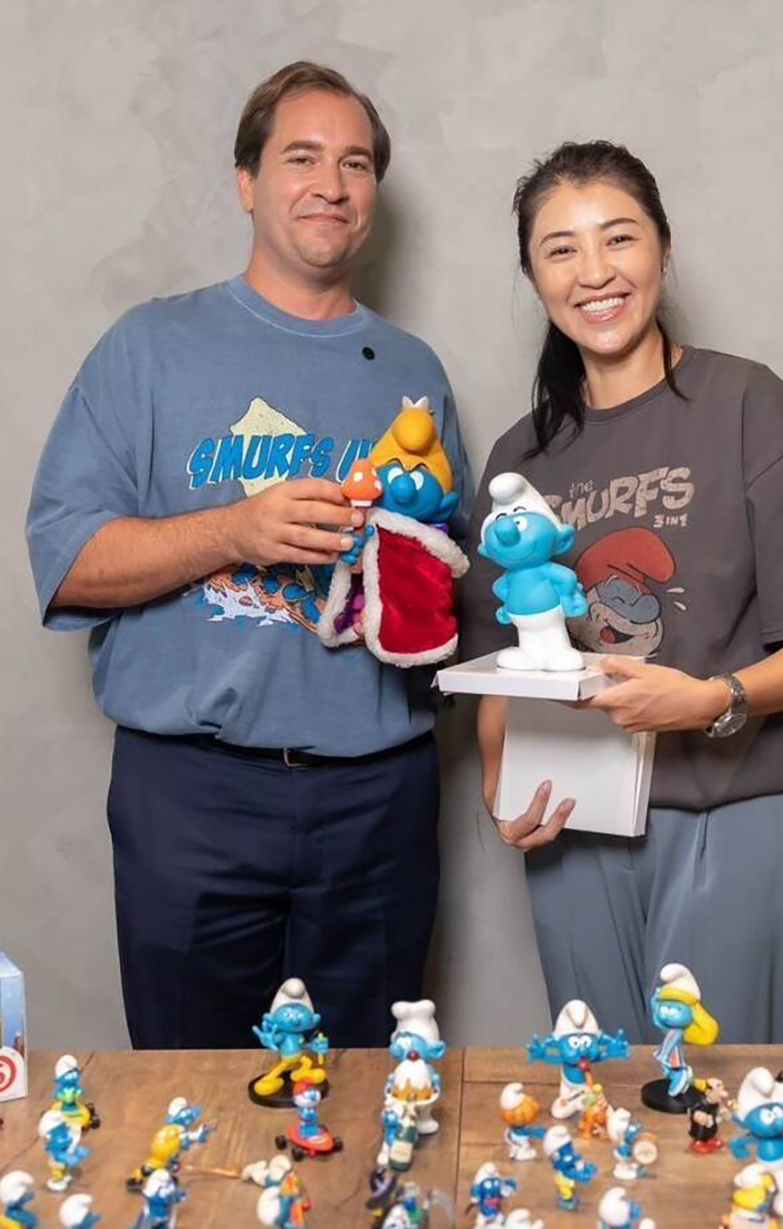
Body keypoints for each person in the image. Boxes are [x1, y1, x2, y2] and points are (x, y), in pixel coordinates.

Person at [26, 61, 471, 1049]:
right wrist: (235, 530)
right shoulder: (148, 348)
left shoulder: (415, 372)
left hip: (379, 797)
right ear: (247, 181)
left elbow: (453, 583)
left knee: (370, 1090)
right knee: (192, 1089)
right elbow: (65, 558)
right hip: (193, 793)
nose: (331, 185)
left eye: (356, 164)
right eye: (301, 157)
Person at [460, 140, 783, 1044]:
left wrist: (712, 698)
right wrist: (503, 782)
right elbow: (502, 665)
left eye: (618, 238)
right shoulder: (518, 457)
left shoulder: (747, 403)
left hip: (730, 812)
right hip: (574, 825)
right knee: (597, 1092)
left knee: (716, 1101)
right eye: (561, 249)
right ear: (534, 277)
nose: (595, 272)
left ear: (663, 247)